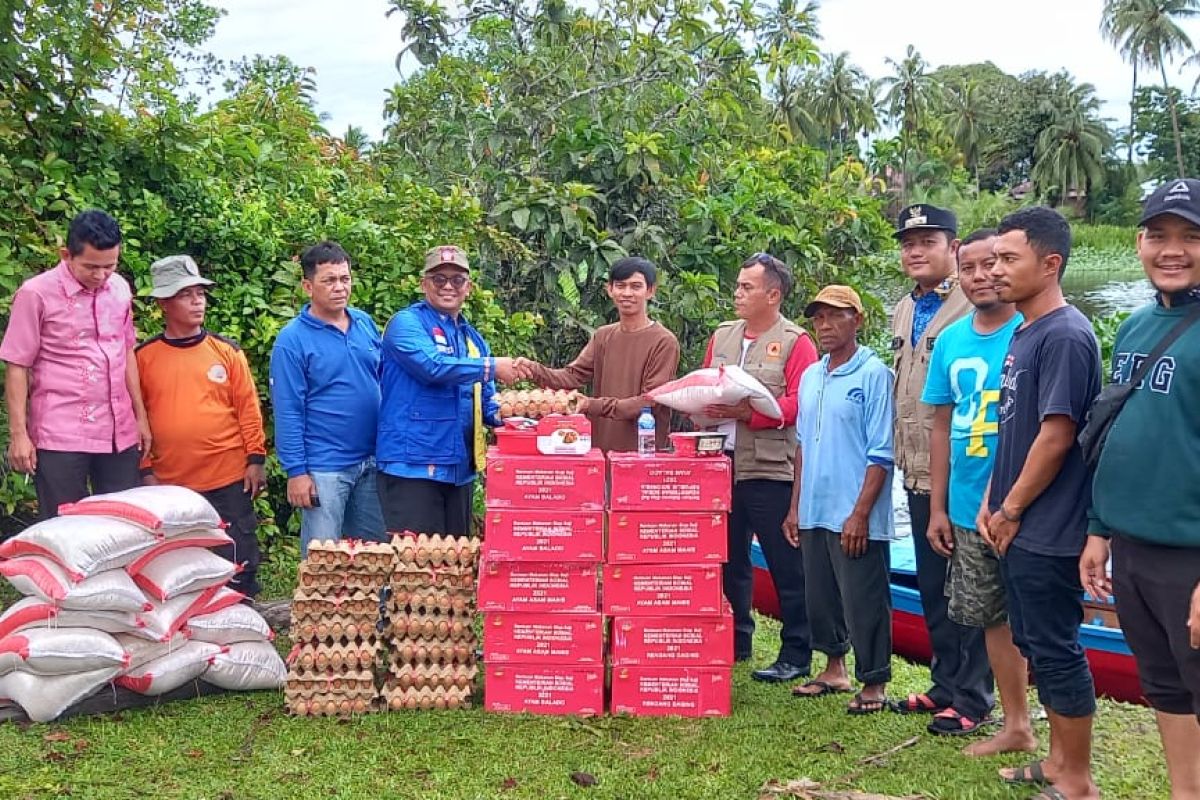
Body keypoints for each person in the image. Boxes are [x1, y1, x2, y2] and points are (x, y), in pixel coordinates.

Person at [1080, 179, 1200, 799]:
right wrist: (1099, 529)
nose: (1172, 250)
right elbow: (1114, 435)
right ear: (1139, 243)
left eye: (1190, 237)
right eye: (1160, 235)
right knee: (1166, 685)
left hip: (1190, 554)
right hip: (1131, 546)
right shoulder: (1133, 328)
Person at [982, 207, 1100, 800]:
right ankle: (1054, 761)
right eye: (994, 259)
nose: (995, 271)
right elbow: (1014, 429)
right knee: (1032, 641)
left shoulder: (1067, 335)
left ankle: (1076, 777)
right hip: (1017, 522)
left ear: (1050, 264)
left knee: (1056, 647)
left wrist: (1012, 508)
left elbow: (1056, 435)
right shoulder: (1027, 330)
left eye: (1009, 259)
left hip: (1049, 526)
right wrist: (991, 498)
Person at [922, 229, 1034, 751]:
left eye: (993, 264)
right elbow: (940, 425)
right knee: (980, 612)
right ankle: (1000, 714)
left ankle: (1015, 715)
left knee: (1028, 619)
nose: (982, 276)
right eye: (969, 269)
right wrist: (938, 506)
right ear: (957, 274)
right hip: (966, 504)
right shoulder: (949, 340)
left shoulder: (1033, 332)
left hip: (1023, 505)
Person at [889, 204, 992, 725]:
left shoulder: (972, 306)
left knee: (969, 590)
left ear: (952, 248)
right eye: (908, 243)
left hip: (962, 470)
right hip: (916, 468)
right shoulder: (907, 309)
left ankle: (973, 698)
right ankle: (944, 681)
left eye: (927, 241)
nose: (915, 251)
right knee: (934, 587)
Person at [702, 253, 817, 682]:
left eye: (747, 287)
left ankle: (797, 651)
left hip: (770, 468)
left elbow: (801, 403)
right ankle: (736, 639)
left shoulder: (795, 341)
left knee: (785, 563)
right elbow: (706, 385)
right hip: (721, 464)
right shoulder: (723, 336)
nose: (737, 293)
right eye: (737, 285)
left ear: (773, 294)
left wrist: (751, 413)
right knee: (728, 559)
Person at [784, 285, 894, 714]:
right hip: (815, 505)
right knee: (822, 594)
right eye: (818, 318)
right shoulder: (813, 375)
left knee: (864, 596)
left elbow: (881, 451)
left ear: (858, 320)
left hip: (853, 507)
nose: (825, 325)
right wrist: (795, 507)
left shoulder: (874, 373)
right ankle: (834, 667)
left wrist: (861, 513)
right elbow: (802, 446)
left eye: (836, 316)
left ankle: (874, 682)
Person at [1, 209, 151, 518]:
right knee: (64, 525)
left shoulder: (120, 289)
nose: (100, 275)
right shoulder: (36, 294)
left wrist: (140, 417)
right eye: (91, 267)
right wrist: (19, 434)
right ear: (66, 254)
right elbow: (17, 364)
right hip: (61, 432)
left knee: (126, 523)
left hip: (118, 431)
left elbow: (126, 354)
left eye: (109, 266)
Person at [137, 255, 267, 597]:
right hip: (171, 481)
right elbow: (136, 420)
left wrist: (255, 460)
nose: (197, 302)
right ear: (164, 302)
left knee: (238, 556)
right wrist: (145, 469)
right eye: (186, 295)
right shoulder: (143, 358)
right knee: (178, 564)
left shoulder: (226, 351)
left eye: (200, 293)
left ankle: (242, 617)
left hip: (228, 475)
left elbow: (248, 409)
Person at [376, 245, 519, 535]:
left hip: (458, 469)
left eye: (457, 280)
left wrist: (522, 420)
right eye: (439, 279)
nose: (448, 287)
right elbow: (434, 367)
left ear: (469, 287)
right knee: (415, 568)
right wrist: (491, 366)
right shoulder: (406, 324)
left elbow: (488, 402)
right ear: (423, 284)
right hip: (413, 465)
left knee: (455, 562)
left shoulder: (473, 339)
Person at [269, 241, 387, 555]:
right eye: (329, 280)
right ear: (308, 286)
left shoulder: (364, 323)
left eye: (345, 279)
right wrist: (296, 472)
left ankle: (373, 607)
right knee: (322, 563)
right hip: (325, 469)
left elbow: (383, 379)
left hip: (372, 462)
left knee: (373, 559)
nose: (339, 287)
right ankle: (316, 607)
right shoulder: (292, 340)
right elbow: (288, 410)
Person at [515, 257, 679, 452]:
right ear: (610, 290)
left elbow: (649, 401)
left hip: (642, 456)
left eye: (636, 287)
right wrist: (533, 370)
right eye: (620, 286)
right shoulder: (603, 336)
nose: (627, 293)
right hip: (600, 453)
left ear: (650, 291)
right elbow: (572, 376)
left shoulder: (664, 341)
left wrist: (590, 405)